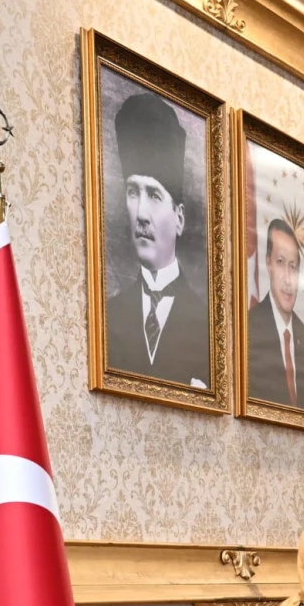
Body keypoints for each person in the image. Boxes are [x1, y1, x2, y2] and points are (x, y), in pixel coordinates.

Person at [105, 91, 210, 388]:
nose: (140, 213)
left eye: (153, 195)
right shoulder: (109, 317)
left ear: (179, 217)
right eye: (132, 192)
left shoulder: (207, 328)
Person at [247, 218, 304, 409]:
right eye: (280, 262)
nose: (288, 279)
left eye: (293, 267)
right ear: (268, 263)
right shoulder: (249, 328)